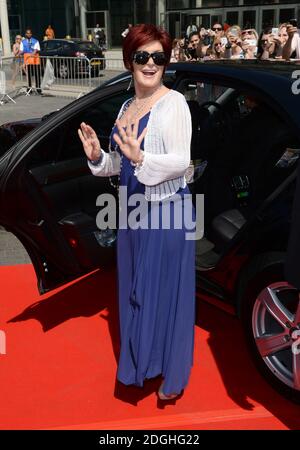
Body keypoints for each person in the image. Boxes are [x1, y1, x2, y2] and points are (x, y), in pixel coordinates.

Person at [78, 23, 196, 401]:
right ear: (129, 60)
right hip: (131, 211)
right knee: (134, 292)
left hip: (166, 212)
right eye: (142, 56)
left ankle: (169, 375)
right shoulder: (128, 105)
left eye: (158, 57)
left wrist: (142, 156)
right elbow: (123, 163)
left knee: (162, 293)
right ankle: (140, 364)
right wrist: (100, 157)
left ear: (166, 63)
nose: (150, 64)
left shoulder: (173, 103)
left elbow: (180, 161)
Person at [20, 28, 42, 94]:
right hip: (28, 60)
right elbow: (21, 50)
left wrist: (32, 53)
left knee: (37, 75)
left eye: (29, 33)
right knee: (29, 75)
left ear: (31, 34)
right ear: (25, 34)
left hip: (35, 60)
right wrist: (18, 54)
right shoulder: (23, 42)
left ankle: (38, 89)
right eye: (27, 33)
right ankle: (29, 89)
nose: (28, 34)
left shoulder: (36, 41)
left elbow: (36, 50)